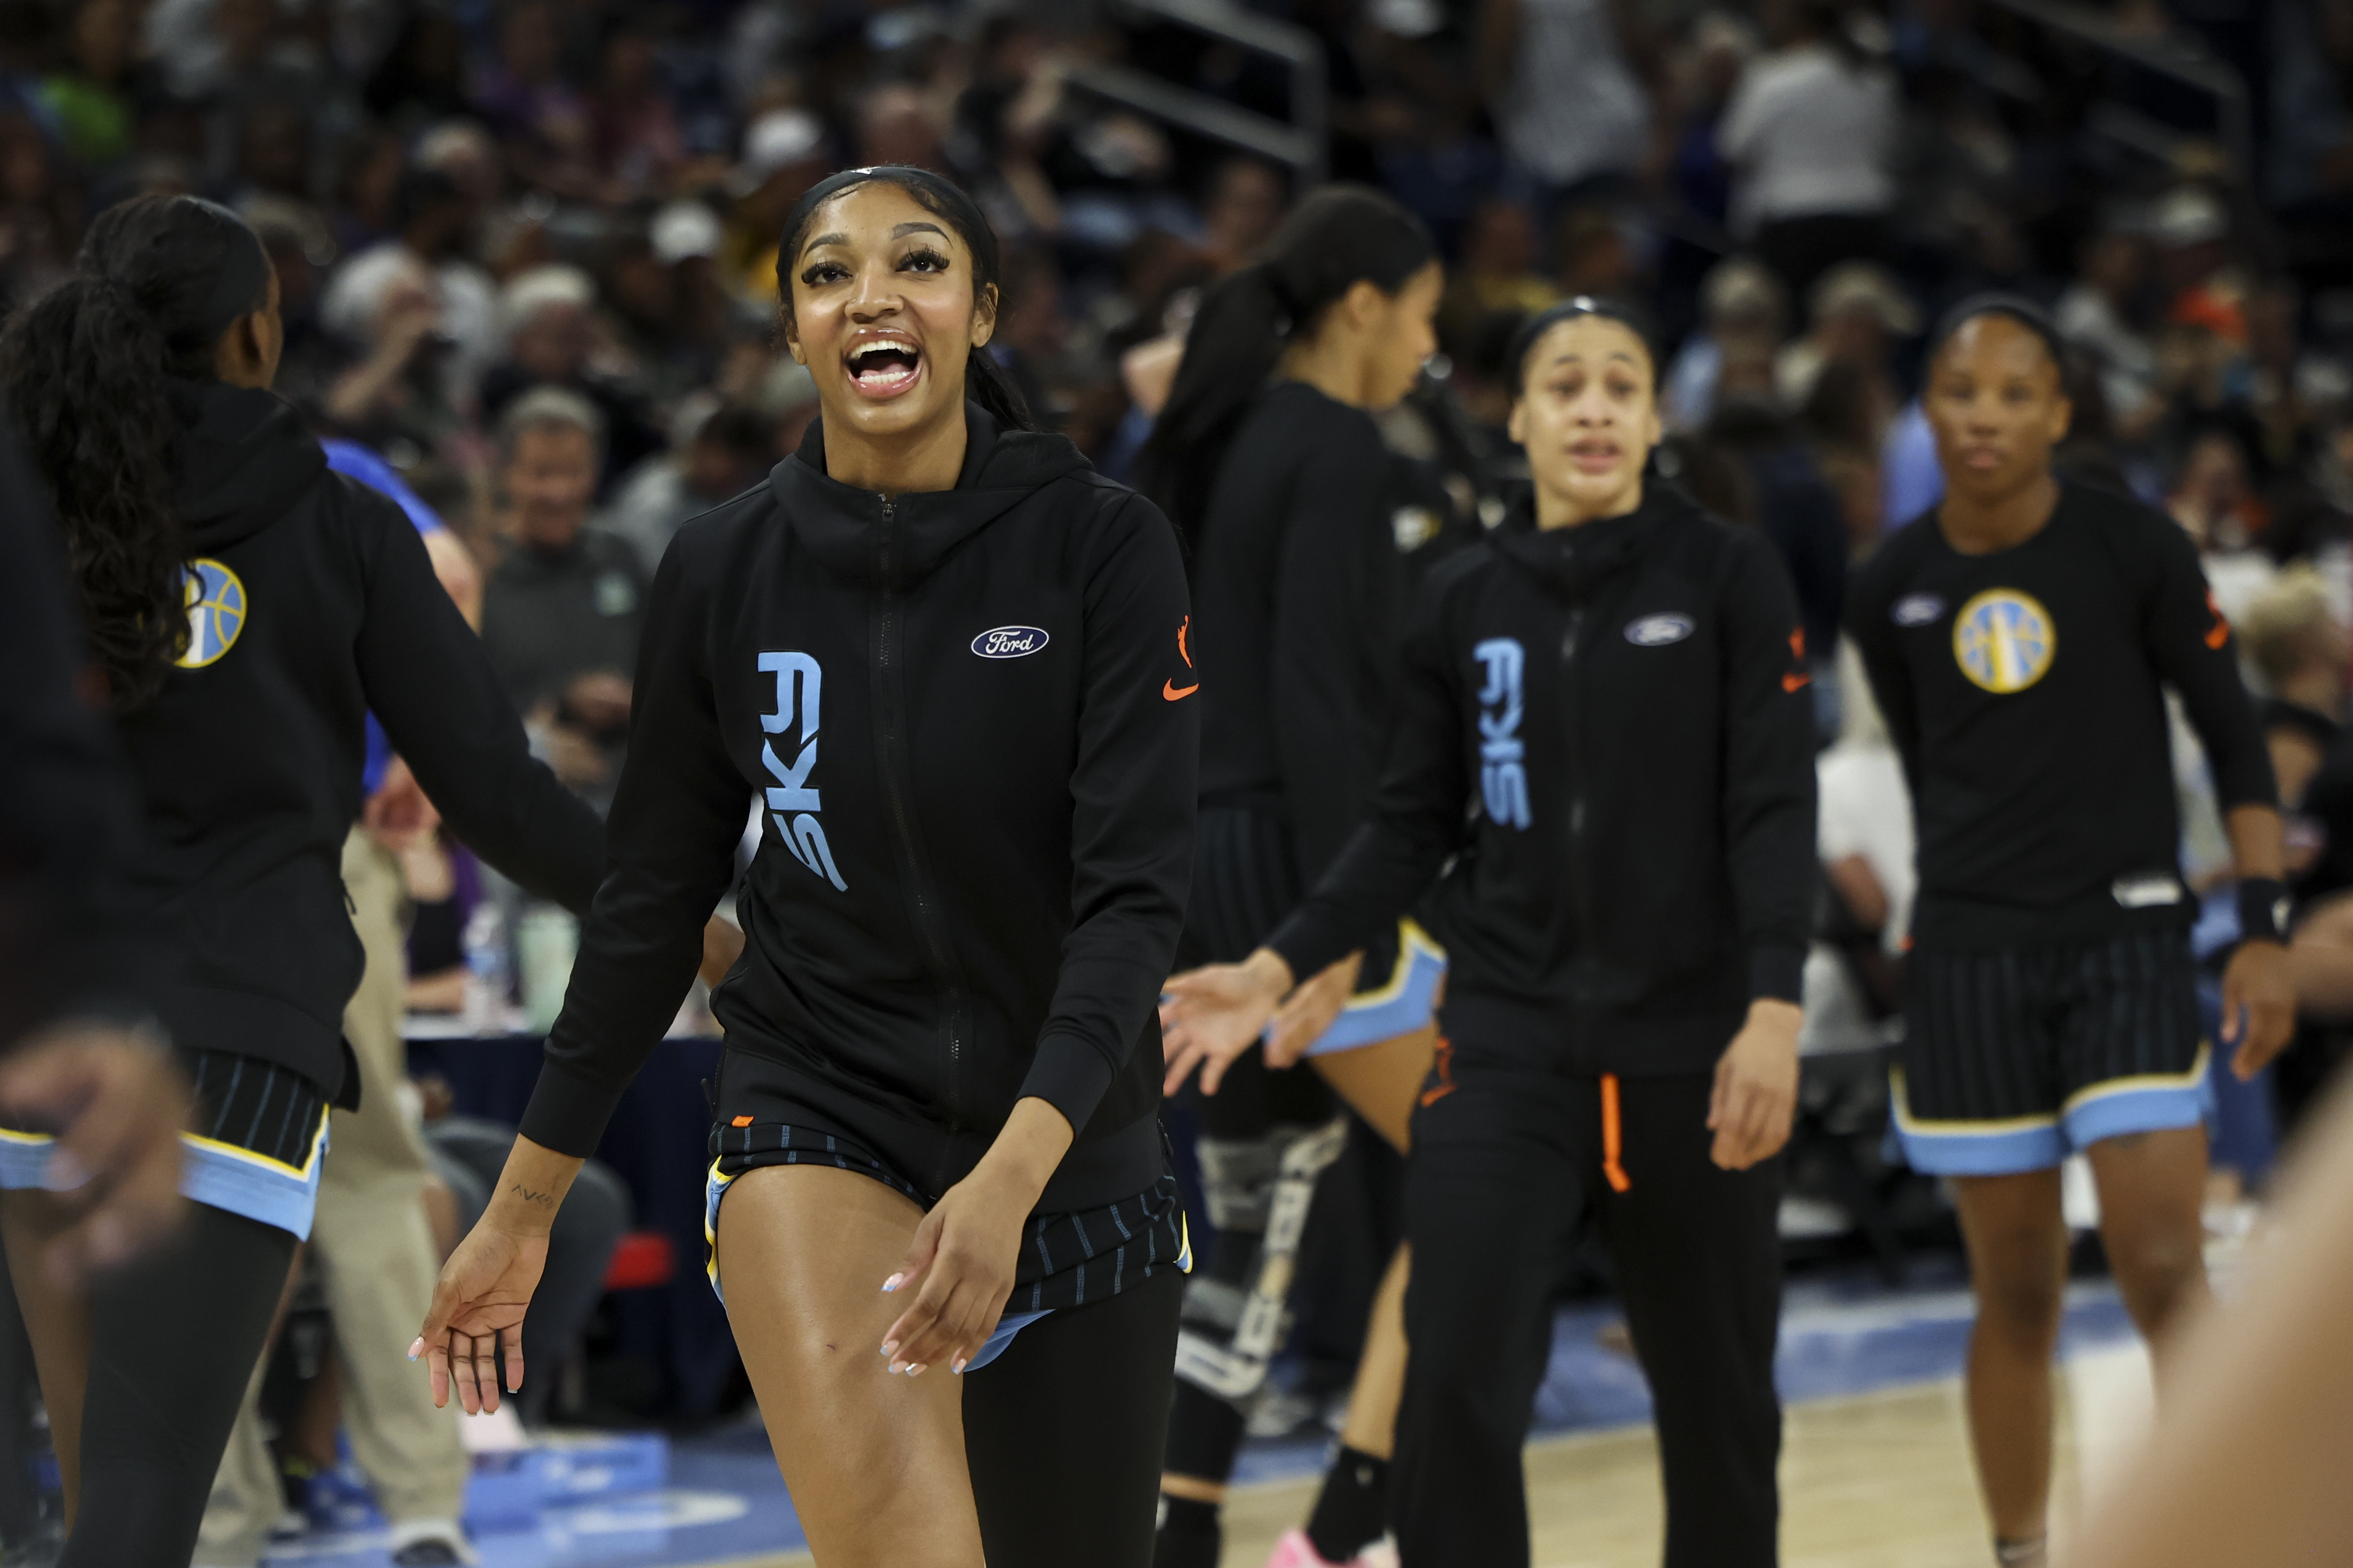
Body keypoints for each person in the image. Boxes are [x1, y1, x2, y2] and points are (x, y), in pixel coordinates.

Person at [415, 165, 1199, 1568]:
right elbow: (650, 903)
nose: (873, 296)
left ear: (981, 310)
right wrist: (521, 1212)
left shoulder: (1103, 546)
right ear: (791, 331)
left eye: (919, 263)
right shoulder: (722, 567)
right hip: (819, 1105)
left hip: (1069, 1143)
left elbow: (1132, 901)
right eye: (829, 274)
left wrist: (1012, 1178)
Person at [0, 193, 605, 1568]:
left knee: (66, 1507)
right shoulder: (339, 516)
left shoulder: (24, 502)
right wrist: (681, 916)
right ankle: (418, 1504)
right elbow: (498, 793)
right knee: (138, 1510)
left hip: (30, 1017)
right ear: (254, 336)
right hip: (239, 1021)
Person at [1163, 297, 1817, 1568]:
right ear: (1517, 419)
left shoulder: (1727, 575)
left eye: (1621, 386)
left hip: (1693, 1050)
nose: (1593, 410)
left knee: (1720, 1407)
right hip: (1509, 1045)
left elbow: (1773, 807)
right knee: (1455, 1377)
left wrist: (1776, 1007)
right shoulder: (1461, 597)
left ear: (1655, 419)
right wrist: (1284, 957)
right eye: (1564, 387)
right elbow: (1407, 826)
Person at [1843, 296, 2296, 1568]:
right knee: (2017, 1294)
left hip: (2129, 941)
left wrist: (2263, 926)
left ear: (2058, 411)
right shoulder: (1889, 585)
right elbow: (1935, 765)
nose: (1984, 416)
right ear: (1927, 414)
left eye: (2013, 393)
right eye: (1959, 392)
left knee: (2161, 1263)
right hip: (1970, 963)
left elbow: (2236, 734)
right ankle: (2022, 1552)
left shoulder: (2134, 548)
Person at [1135, 184, 1445, 1568]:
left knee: (1261, 1212)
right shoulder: (1334, 444)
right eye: (1423, 318)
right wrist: (1338, 925)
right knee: (1492, 1171)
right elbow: (1326, 697)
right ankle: (1350, 1524)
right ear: (1363, 307)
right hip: (1293, 869)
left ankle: (1183, 1527)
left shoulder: (1226, 439)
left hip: (1202, 858)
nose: (1427, 351)